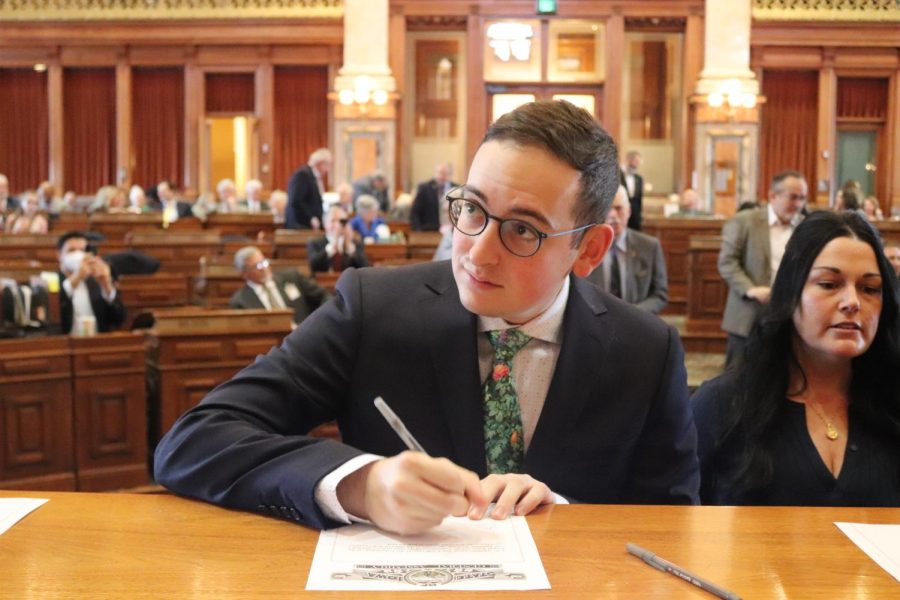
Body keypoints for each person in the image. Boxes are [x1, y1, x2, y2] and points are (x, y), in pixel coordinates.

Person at [154, 100, 699, 536]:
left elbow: (674, 524)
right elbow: (195, 440)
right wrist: (361, 484)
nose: (477, 252)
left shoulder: (644, 350)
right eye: (471, 209)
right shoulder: (372, 308)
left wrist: (570, 512)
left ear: (589, 250)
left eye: (523, 230)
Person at [693, 211, 900, 506]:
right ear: (791, 294)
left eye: (869, 289)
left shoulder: (892, 401)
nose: (852, 302)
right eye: (829, 284)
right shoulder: (723, 404)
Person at [719, 170, 808, 368]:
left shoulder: (804, 227)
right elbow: (727, 262)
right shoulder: (744, 221)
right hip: (748, 312)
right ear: (772, 195)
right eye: (793, 197)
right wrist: (751, 289)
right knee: (737, 380)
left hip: (790, 316)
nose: (799, 204)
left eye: (802, 198)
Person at [586, 185, 668, 314]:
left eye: (619, 208)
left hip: (636, 324)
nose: (613, 215)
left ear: (629, 211)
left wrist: (631, 315)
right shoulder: (586, 246)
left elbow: (660, 295)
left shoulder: (649, 246)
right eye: (608, 209)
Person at [229, 246, 330, 327]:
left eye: (264, 262)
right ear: (244, 274)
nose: (264, 268)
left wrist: (320, 321)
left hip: (306, 335)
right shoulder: (240, 301)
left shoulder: (292, 277)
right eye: (257, 266)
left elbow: (323, 295)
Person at [57, 231, 126, 335]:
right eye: (71, 250)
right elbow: (55, 316)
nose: (77, 255)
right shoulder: (51, 281)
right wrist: (77, 277)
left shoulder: (95, 281)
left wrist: (106, 285)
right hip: (64, 346)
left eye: (82, 250)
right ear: (59, 255)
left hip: (96, 344)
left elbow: (118, 319)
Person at [307, 205, 370, 273]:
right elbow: (313, 266)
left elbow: (365, 268)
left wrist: (349, 246)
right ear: (325, 224)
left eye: (341, 221)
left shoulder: (355, 244)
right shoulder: (315, 243)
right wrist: (333, 246)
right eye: (333, 221)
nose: (337, 225)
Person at [286, 148, 331, 230]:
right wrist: (311, 218)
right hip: (300, 225)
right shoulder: (303, 175)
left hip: (310, 225)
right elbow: (296, 200)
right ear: (320, 163)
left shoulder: (313, 176)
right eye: (328, 165)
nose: (328, 169)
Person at [410, 163, 455, 231]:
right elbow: (415, 212)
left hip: (450, 231)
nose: (441, 176)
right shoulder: (424, 188)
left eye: (445, 173)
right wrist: (417, 230)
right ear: (435, 173)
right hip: (429, 231)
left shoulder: (456, 188)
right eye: (440, 173)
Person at [620, 150, 644, 230]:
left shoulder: (639, 179)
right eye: (635, 161)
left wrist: (639, 216)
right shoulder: (617, 176)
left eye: (638, 162)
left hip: (635, 217)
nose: (636, 165)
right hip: (621, 213)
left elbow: (639, 199)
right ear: (628, 160)